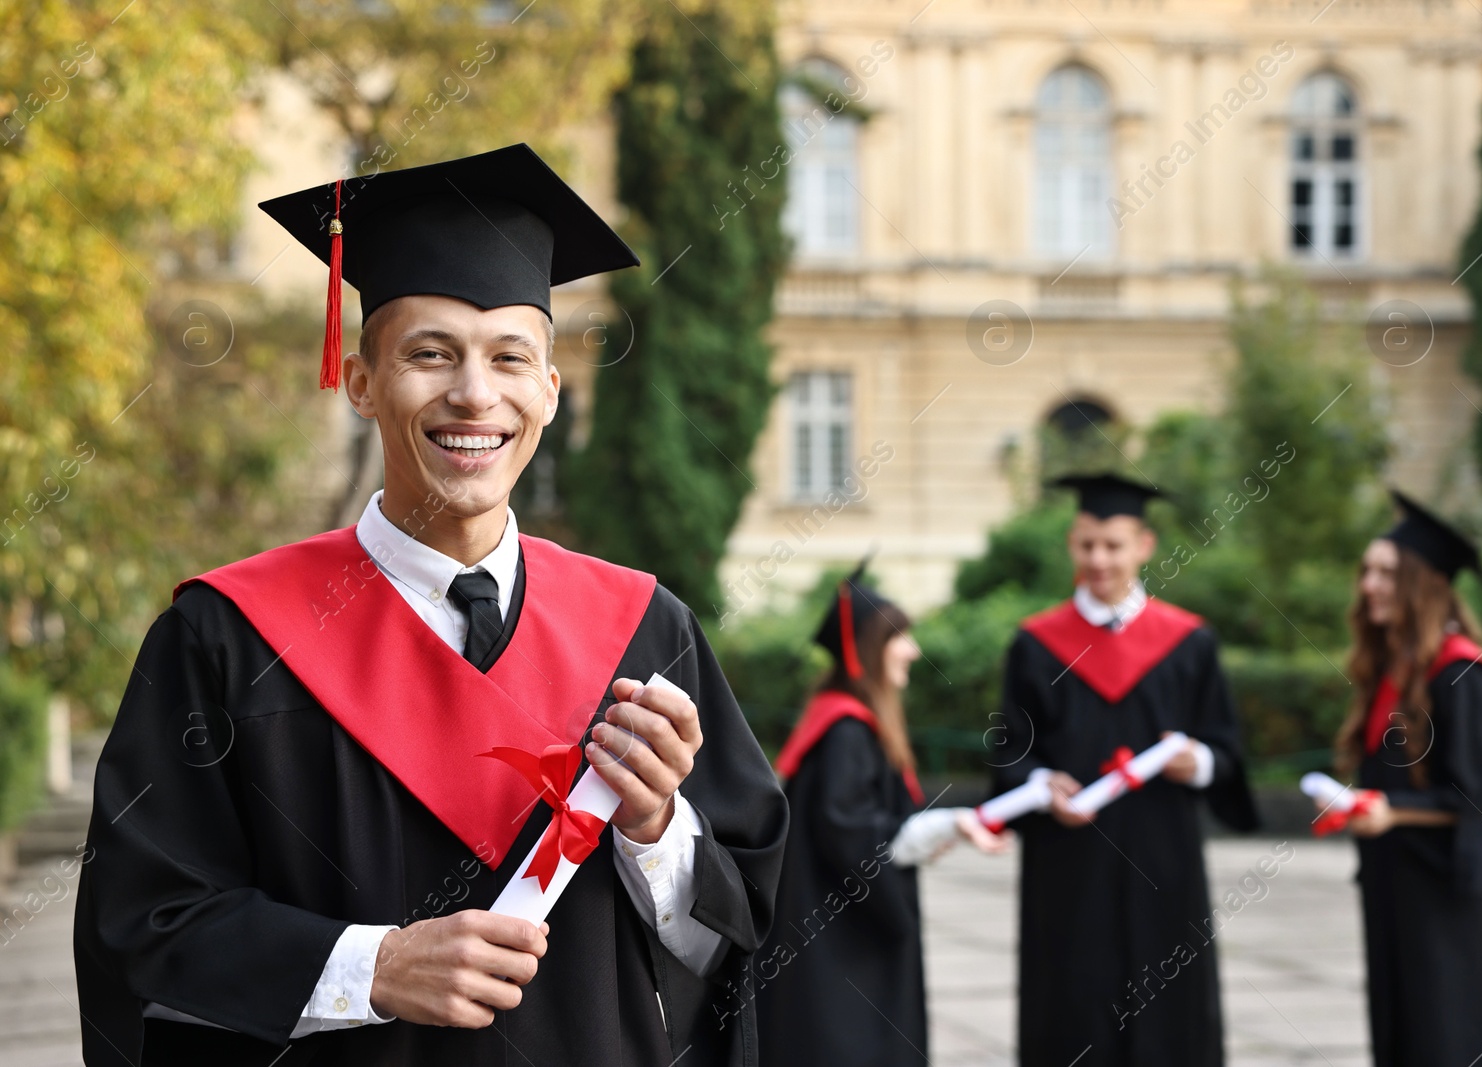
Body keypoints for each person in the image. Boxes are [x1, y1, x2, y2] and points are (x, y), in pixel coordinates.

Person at [73, 145, 789, 1067]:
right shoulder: (225, 639)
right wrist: (371, 965)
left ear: (549, 391)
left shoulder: (647, 632)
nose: (474, 393)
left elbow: (732, 946)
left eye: (509, 358)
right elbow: (142, 926)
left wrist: (656, 833)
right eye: (430, 353)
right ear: (362, 381)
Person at [991, 472, 1259, 1066]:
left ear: (1144, 545)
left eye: (1113, 545)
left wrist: (1198, 763)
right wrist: (1039, 784)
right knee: (1072, 992)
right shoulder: (1036, 645)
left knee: (1168, 995)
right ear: (1071, 545)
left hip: (1162, 853)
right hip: (1070, 859)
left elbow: (1226, 749)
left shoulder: (1188, 643)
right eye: (1087, 545)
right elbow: (1010, 748)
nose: (1099, 559)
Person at [1328, 490, 1482, 1066]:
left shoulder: (1461, 675)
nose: (1369, 585)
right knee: (1408, 1025)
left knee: (1453, 1031)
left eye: (1387, 573)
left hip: (1454, 900)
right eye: (1367, 571)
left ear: (1423, 582)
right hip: (1402, 887)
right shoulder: (1397, 671)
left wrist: (1393, 812)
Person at [754, 562, 1008, 1067]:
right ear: (869, 648)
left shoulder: (838, 722)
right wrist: (943, 825)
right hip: (839, 947)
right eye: (899, 637)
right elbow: (854, 837)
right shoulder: (846, 731)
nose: (912, 650)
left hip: (830, 938)